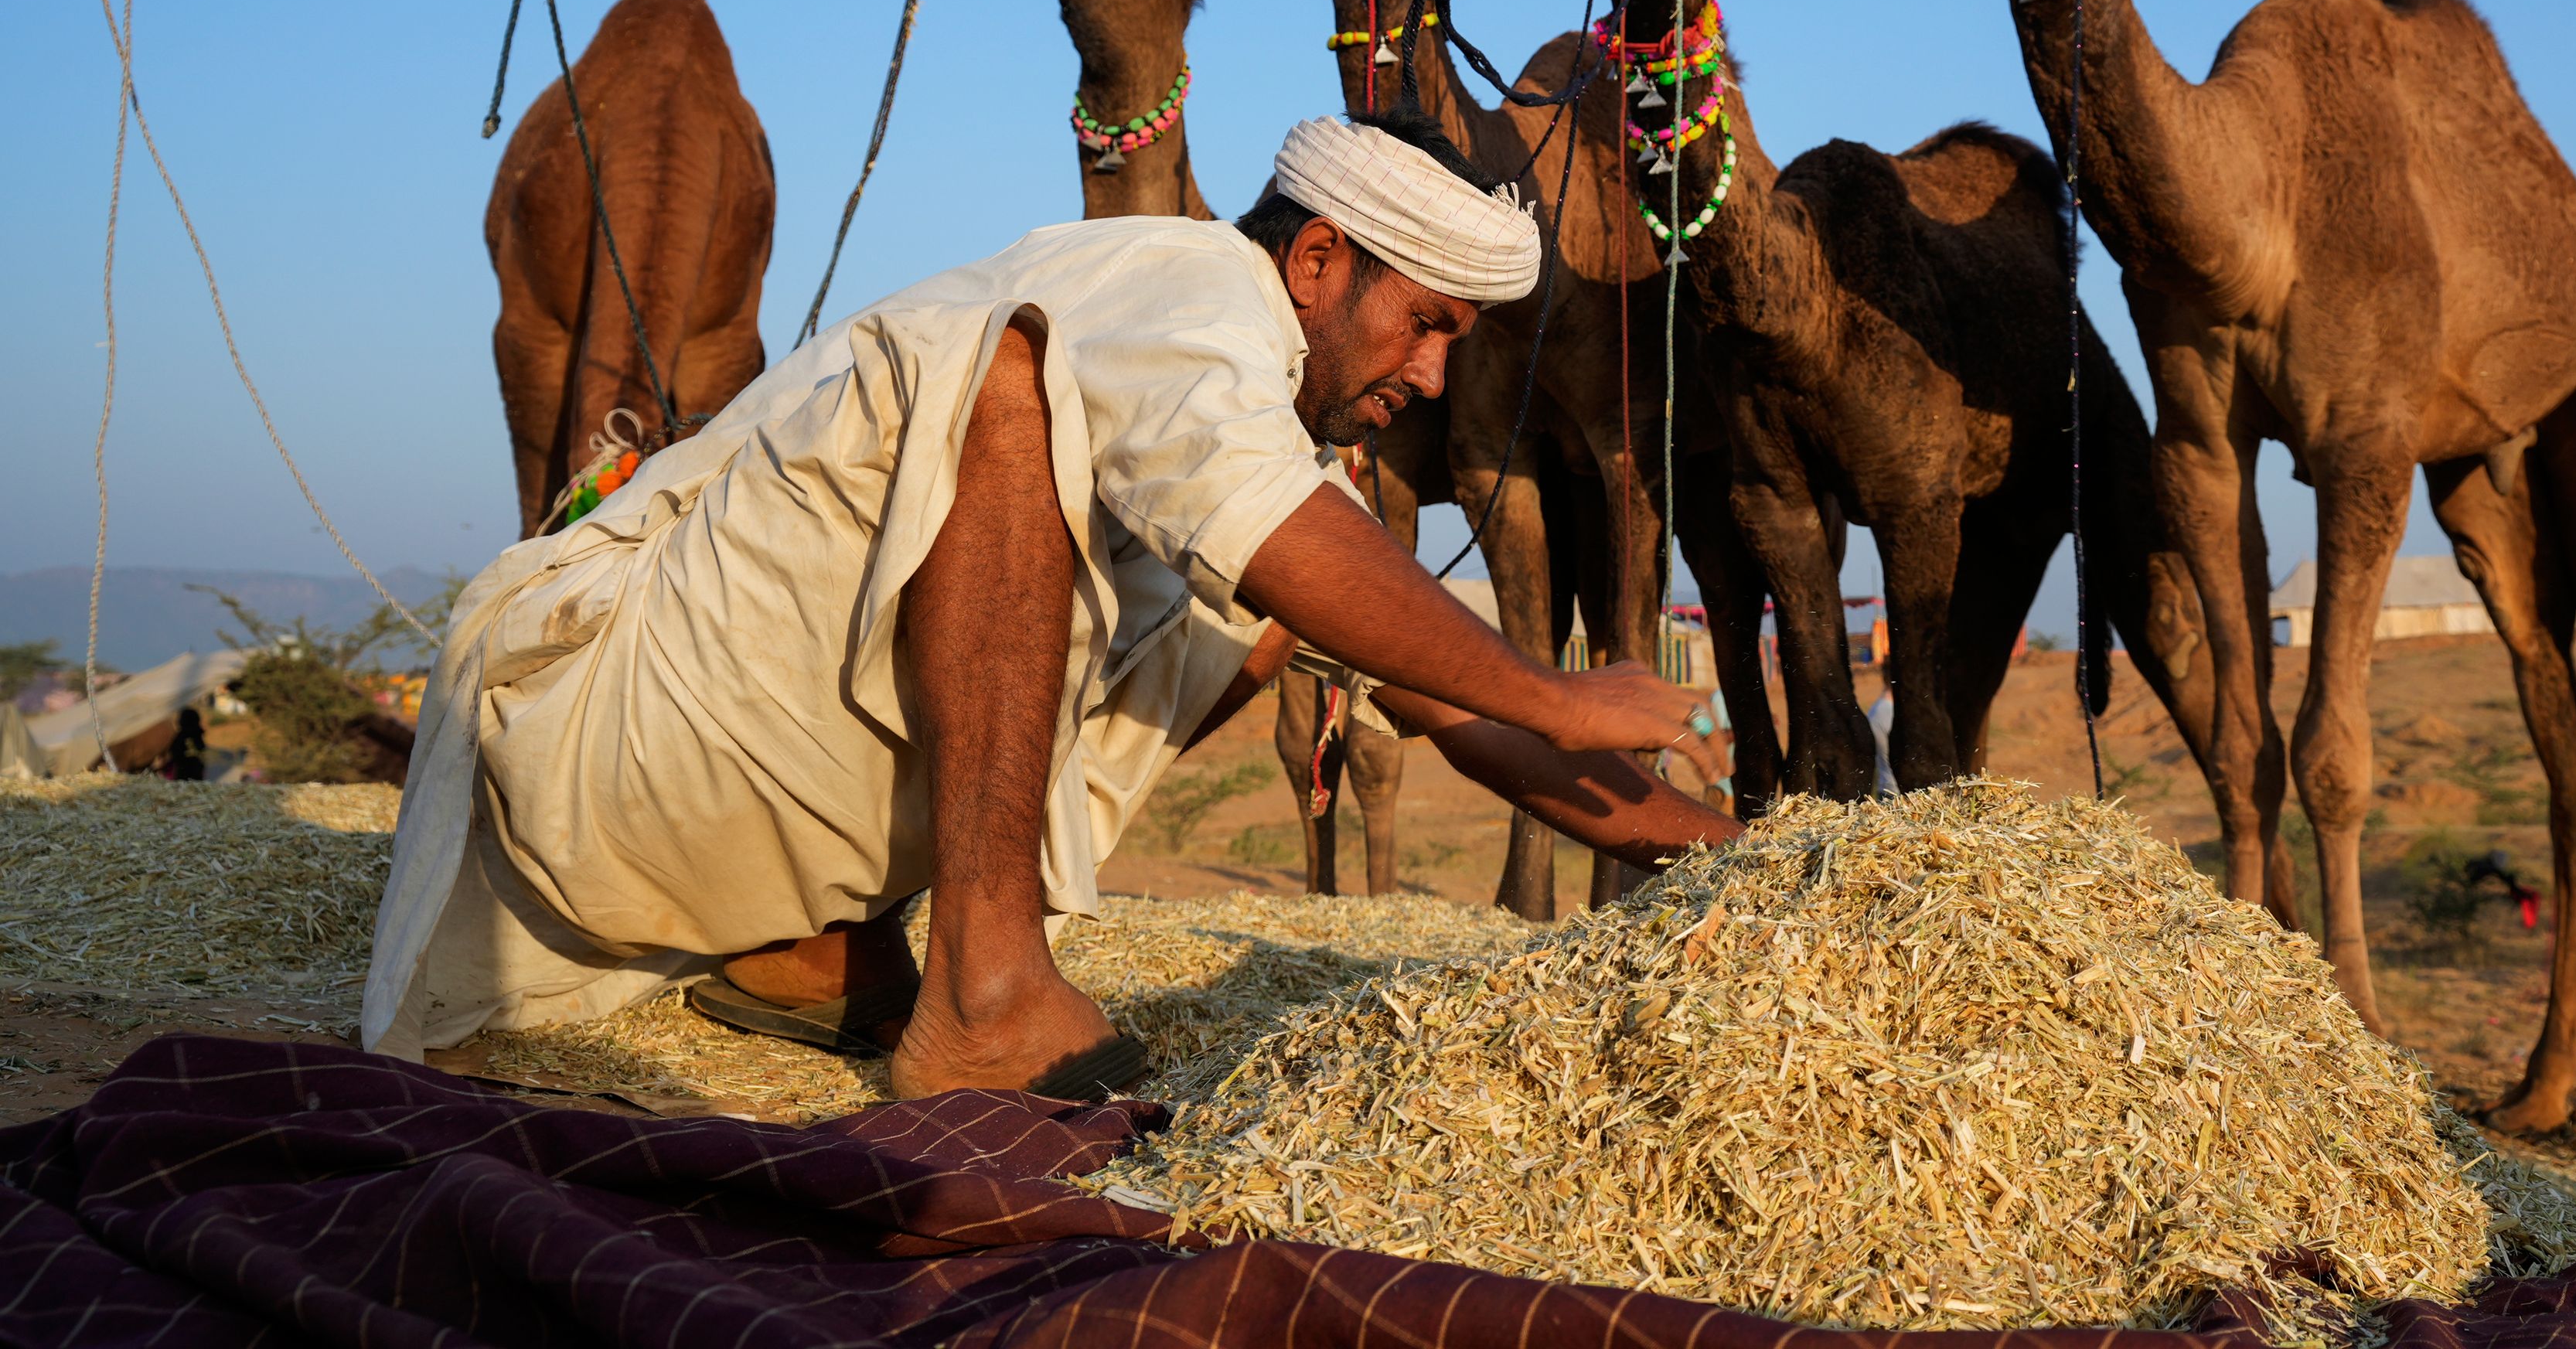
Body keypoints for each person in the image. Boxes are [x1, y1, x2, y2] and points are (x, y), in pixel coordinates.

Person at [363, 112, 1736, 1098]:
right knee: (1004, 394)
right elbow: (1324, 567)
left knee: (1258, 601)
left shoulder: (1250, 418)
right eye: (1428, 324)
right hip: (595, 739)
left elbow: (1449, 702)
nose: (1432, 380)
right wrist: (1559, 683)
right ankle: (986, 989)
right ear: (1317, 258)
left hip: (693, 828)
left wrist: (1743, 858)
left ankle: (805, 935)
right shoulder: (1194, 286)